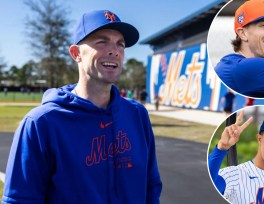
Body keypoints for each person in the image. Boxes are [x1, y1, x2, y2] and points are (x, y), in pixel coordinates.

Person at [2, 10, 162, 204]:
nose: (114, 50)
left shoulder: (137, 115)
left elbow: (151, 187)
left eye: (120, 44)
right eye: (102, 42)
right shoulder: (41, 123)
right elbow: (20, 200)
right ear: (76, 53)